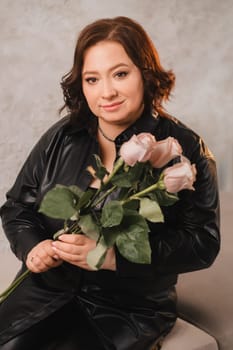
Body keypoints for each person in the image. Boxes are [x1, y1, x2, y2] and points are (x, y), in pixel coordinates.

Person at [0, 16, 220, 350]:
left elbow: (202, 242)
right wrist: (33, 247)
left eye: (120, 73)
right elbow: (18, 206)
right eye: (92, 78)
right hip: (45, 290)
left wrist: (116, 257)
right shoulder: (63, 135)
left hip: (127, 308)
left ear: (145, 74)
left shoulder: (184, 150)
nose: (107, 92)